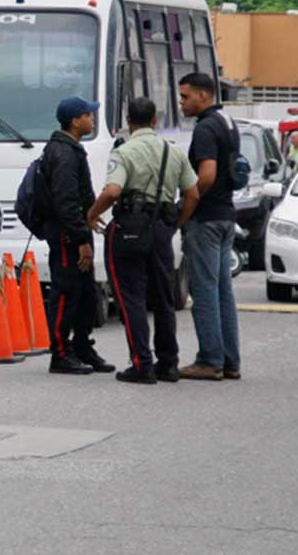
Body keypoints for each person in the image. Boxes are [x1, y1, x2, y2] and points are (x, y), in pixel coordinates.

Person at [86, 98, 199, 384]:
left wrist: (92, 213)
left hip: (130, 229)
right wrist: (175, 224)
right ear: (155, 121)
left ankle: (142, 364)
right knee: (163, 297)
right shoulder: (173, 153)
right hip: (162, 228)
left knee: (131, 298)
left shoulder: (124, 152)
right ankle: (168, 363)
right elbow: (193, 194)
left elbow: (113, 191)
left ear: (128, 120)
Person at [40, 96, 114, 375]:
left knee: (84, 293)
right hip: (66, 234)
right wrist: (81, 239)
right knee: (66, 291)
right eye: (88, 114)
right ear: (75, 120)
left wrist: (93, 217)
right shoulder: (62, 153)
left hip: (77, 229)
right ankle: (59, 353)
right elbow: (66, 202)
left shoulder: (72, 149)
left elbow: (81, 197)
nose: (92, 118)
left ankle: (82, 346)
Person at [178, 72, 241, 380]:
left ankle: (209, 360)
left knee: (203, 290)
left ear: (204, 95)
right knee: (222, 292)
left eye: (185, 97)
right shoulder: (228, 122)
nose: (181, 103)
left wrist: (187, 207)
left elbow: (207, 175)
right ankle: (229, 360)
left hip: (205, 218)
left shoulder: (205, 128)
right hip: (227, 215)